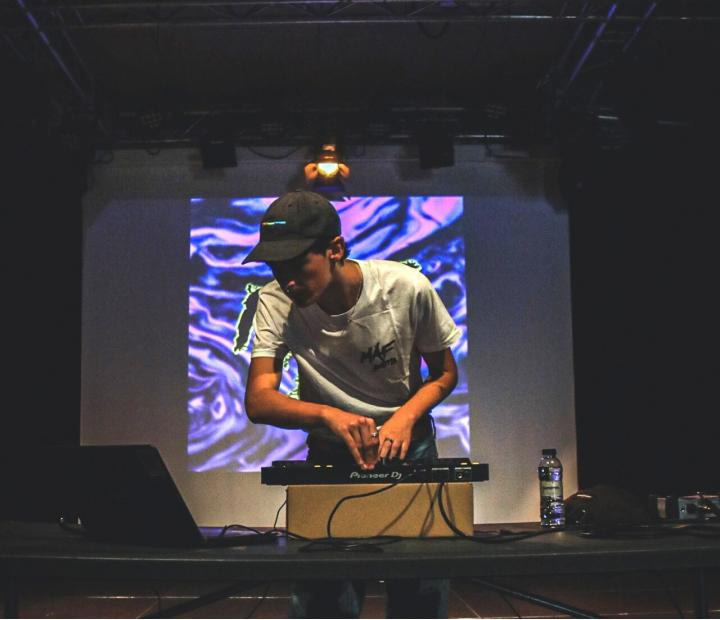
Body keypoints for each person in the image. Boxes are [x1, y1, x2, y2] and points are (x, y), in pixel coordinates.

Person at [242, 190, 460, 618]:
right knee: (323, 599)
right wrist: (329, 415)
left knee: (419, 594)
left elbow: (444, 373)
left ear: (335, 249)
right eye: (276, 268)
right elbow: (259, 399)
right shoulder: (274, 301)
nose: (287, 280)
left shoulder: (405, 287)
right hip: (330, 455)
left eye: (297, 265)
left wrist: (404, 418)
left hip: (409, 451)